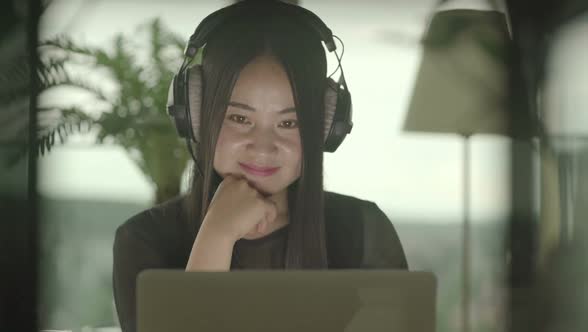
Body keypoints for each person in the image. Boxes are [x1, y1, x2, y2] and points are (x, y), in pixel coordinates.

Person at [112, 1, 408, 331]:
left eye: (289, 123)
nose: (263, 147)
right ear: (196, 116)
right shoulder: (144, 239)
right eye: (239, 118)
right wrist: (217, 236)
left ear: (323, 128)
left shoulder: (364, 232)